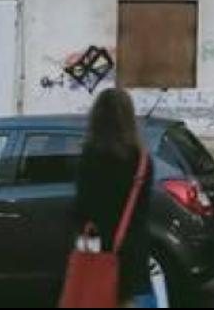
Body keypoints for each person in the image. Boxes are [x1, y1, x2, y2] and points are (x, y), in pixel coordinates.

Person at [75, 88, 155, 308]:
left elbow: (82, 207)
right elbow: (143, 208)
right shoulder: (142, 159)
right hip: (132, 251)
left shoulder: (90, 157)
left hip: (98, 250)